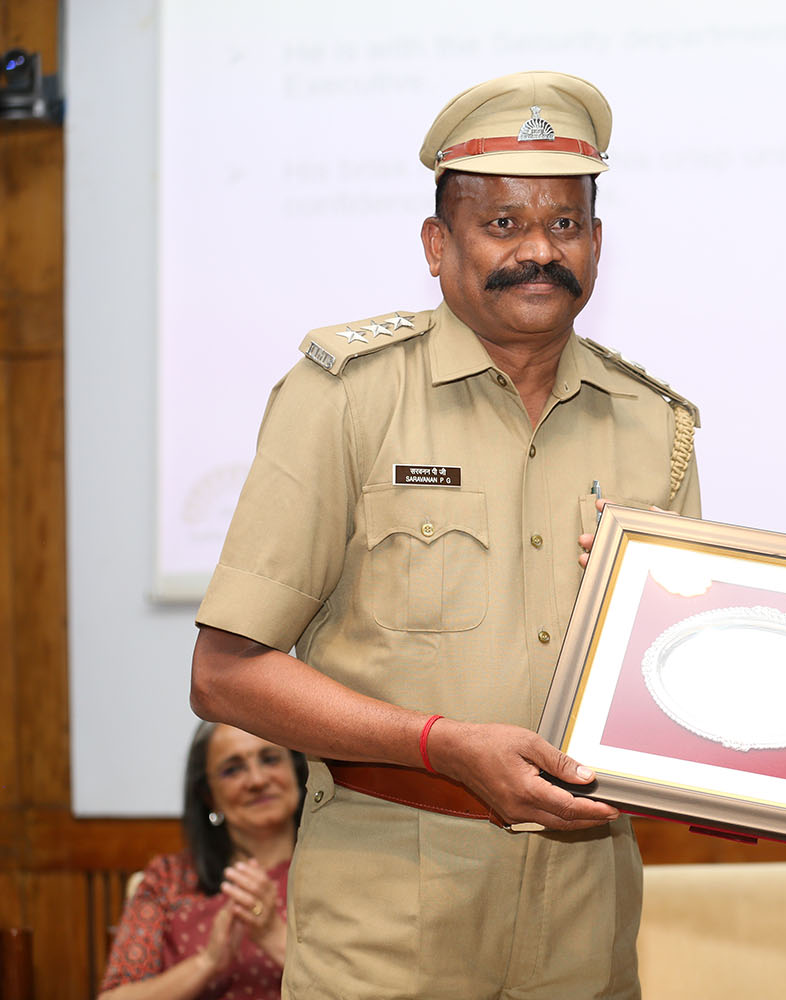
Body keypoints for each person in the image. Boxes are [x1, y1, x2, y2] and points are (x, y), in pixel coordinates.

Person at [188, 71, 701, 998]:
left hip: (588, 916)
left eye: (566, 223)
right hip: (391, 917)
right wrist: (441, 744)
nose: (538, 251)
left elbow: (680, 669)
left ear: (597, 240)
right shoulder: (346, 397)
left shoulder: (653, 424)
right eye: (502, 224)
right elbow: (224, 671)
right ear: (439, 243)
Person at [100, 723, 307, 999]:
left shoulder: (333, 873)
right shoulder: (169, 878)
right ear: (209, 796)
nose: (257, 780)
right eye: (233, 769)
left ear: (296, 771)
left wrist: (274, 937)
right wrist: (207, 963)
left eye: (269, 759)